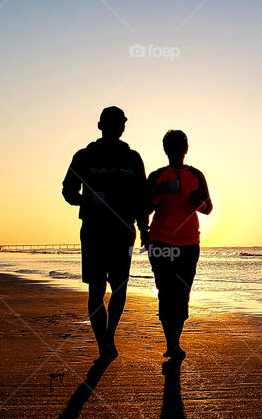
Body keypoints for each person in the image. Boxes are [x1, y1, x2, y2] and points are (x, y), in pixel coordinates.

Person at [61, 106, 148, 366]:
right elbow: (67, 190)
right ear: (100, 126)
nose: (115, 128)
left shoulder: (133, 158)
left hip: (124, 231)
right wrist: (86, 200)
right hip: (94, 230)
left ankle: (109, 336)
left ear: (123, 127)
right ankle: (104, 344)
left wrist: (145, 229)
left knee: (119, 288)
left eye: (118, 124)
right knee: (96, 289)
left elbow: (142, 197)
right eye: (110, 124)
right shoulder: (85, 156)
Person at [145, 129, 212, 368]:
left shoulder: (196, 174)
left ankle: (176, 341)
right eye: (170, 147)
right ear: (165, 149)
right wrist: (156, 195)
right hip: (161, 242)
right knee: (165, 291)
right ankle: (171, 343)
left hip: (188, 244)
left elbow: (208, 208)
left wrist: (198, 202)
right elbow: (144, 209)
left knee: (182, 293)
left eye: (178, 146)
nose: (175, 151)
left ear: (185, 149)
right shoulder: (156, 176)